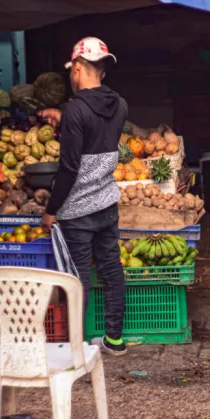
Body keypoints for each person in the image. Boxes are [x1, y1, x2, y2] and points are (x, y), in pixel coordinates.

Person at [39, 37, 128, 356]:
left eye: (72, 72)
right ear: (101, 69)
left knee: (78, 278)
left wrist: (51, 209)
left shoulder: (76, 109)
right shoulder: (120, 104)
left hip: (77, 210)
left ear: (77, 67)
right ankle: (115, 340)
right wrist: (66, 120)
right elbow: (98, 138)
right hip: (106, 203)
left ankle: (75, 345)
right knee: (111, 269)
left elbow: (69, 167)